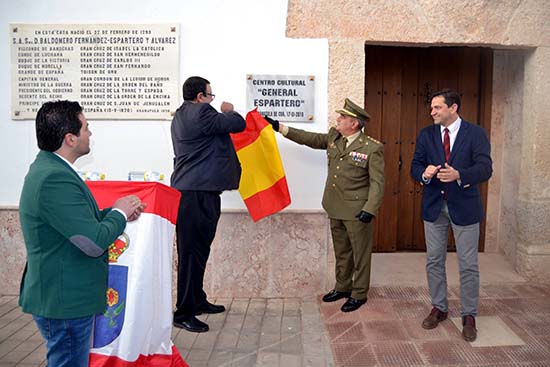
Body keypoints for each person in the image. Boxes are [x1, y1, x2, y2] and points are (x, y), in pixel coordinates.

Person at [19, 100, 145, 367]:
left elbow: (75, 224)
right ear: (70, 138)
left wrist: (111, 212)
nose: (90, 134)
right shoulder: (54, 177)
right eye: (86, 128)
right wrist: (119, 214)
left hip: (65, 296)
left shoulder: (52, 169)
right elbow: (92, 242)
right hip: (65, 300)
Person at [265, 98, 384, 312]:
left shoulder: (371, 148)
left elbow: (377, 183)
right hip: (334, 206)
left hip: (358, 211)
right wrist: (280, 127)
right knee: (342, 251)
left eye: (343, 117)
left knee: (360, 254)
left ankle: (359, 293)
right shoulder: (334, 138)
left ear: (354, 123)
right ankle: (343, 287)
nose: (338, 119)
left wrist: (370, 209)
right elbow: (309, 138)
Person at [411, 89, 492, 342]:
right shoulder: (426, 134)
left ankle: (469, 315)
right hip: (434, 206)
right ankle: (439, 308)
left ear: (453, 108)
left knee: (468, 265)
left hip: (465, 207)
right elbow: (415, 167)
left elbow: (485, 168)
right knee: (434, 260)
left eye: (437, 107)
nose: (432, 112)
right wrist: (425, 174)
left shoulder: (476, 134)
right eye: (432, 108)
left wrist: (460, 176)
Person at [170, 76, 246, 332]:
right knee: (192, 255)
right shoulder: (202, 112)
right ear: (201, 96)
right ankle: (183, 313)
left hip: (195, 192)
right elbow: (237, 124)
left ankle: (197, 300)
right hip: (196, 194)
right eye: (210, 95)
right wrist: (229, 110)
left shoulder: (181, 114)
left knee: (198, 252)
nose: (212, 100)